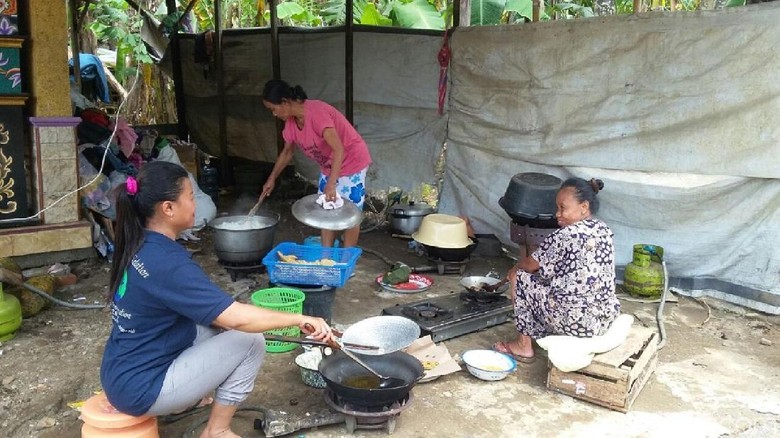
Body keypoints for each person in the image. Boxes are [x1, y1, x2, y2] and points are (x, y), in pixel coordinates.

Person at [100, 161, 333, 438]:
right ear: (168, 208)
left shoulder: (138, 242)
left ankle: (184, 401)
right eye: (190, 197)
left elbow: (216, 315)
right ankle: (216, 430)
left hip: (119, 373)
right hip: (142, 389)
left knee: (215, 326)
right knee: (250, 341)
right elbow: (235, 317)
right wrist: (300, 317)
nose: (195, 203)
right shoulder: (167, 263)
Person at [492, 177, 620, 363]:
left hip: (577, 323)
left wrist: (514, 268)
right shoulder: (603, 229)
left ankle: (523, 346)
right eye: (557, 208)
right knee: (547, 285)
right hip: (602, 320)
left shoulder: (566, 234)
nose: (557, 214)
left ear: (583, 207)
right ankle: (541, 330)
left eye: (563, 208)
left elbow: (530, 265)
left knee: (519, 277)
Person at [260, 79, 372, 247]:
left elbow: (339, 149)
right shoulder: (291, 123)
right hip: (329, 166)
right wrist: (272, 178)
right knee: (326, 211)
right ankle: (326, 259)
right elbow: (287, 152)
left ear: (284, 102)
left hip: (351, 160)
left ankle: (347, 261)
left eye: (273, 109)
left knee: (350, 214)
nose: (274, 114)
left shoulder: (316, 113)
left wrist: (332, 184)